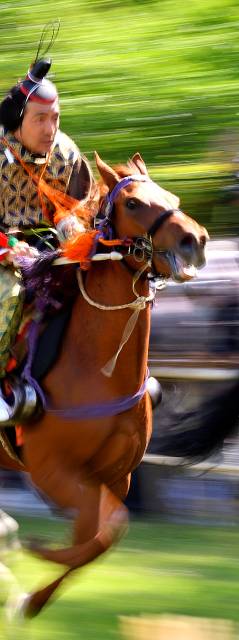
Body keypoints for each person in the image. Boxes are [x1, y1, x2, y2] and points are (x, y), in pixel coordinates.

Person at [0, 55, 93, 421]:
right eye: (40, 119)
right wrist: (7, 249)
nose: (50, 128)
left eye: (55, 117)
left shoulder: (66, 154)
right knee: (9, 293)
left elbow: (74, 207)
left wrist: (76, 234)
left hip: (50, 244)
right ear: (16, 121)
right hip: (5, 248)